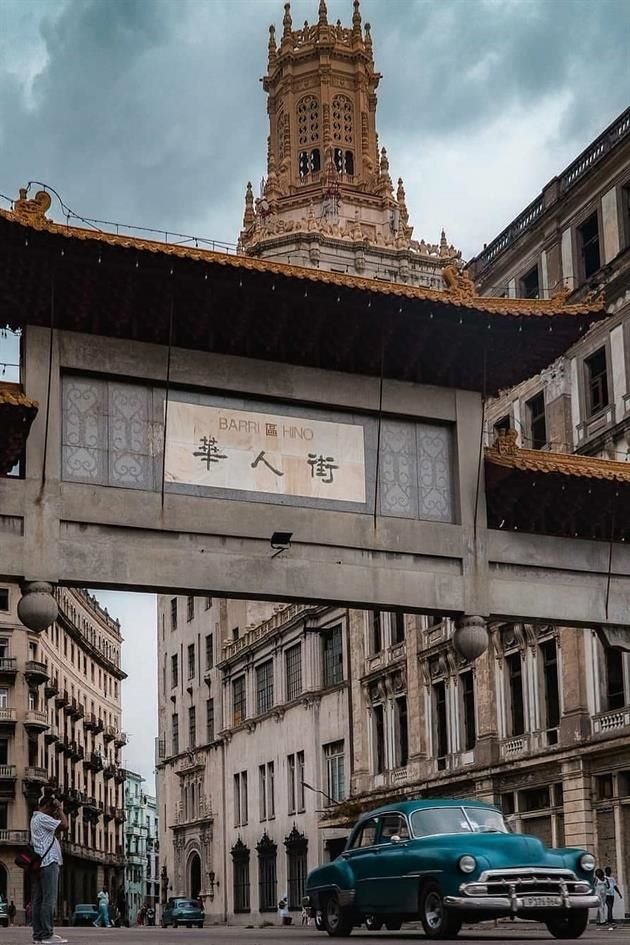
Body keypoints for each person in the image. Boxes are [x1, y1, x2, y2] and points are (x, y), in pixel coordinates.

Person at [30, 787, 68, 945]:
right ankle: (47, 934)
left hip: (39, 864)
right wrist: (60, 809)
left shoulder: (35, 819)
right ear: (46, 807)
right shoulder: (42, 818)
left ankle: (38, 935)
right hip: (48, 862)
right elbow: (65, 826)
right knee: (48, 900)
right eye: (52, 810)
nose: (54, 813)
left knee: (38, 900)